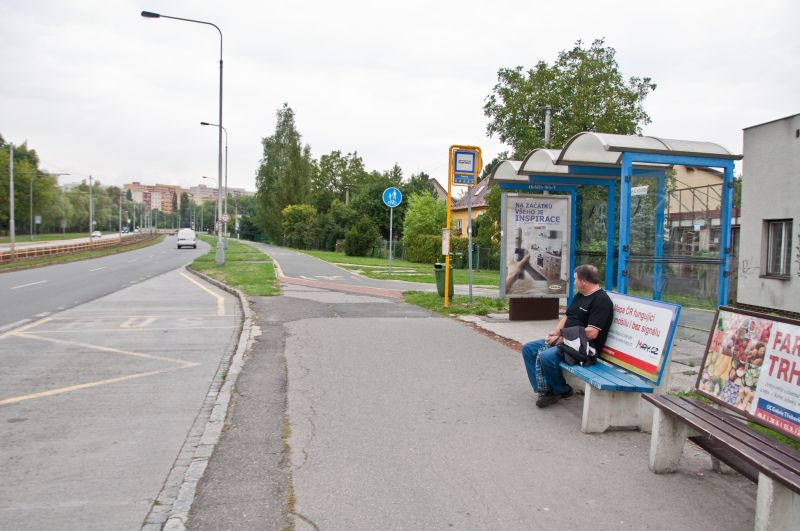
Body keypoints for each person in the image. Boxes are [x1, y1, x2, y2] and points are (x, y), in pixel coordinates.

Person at [521, 264, 614, 408]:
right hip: (567, 341)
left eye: (575, 278)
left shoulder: (601, 301)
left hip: (585, 348)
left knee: (547, 356)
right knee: (528, 348)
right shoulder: (580, 295)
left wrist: (560, 339)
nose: (573, 282)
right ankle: (544, 390)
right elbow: (568, 316)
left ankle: (562, 390)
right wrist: (556, 332)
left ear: (584, 281)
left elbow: (591, 333)